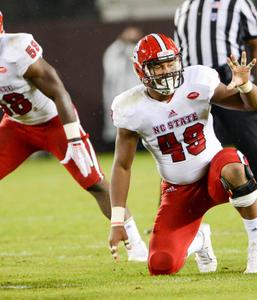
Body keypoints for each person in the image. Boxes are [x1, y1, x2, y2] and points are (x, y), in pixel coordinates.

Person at [108, 33, 257, 275]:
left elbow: (254, 104)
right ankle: (200, 239)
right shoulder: (130, 108)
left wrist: (246, 85)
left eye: (170, 63)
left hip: (216, 173)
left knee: (235, 168)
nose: (166, 70)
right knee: (161, 265)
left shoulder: (198, 80)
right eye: (158, 66)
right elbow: (122, 166)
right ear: (142, 71)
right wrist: (117, 220)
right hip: (178, 190)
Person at [0, 11, 147, 262]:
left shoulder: (17, 51)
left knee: (95, 182)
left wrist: (74, 139)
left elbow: (59, 93)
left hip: (54, 123)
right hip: (16, 126)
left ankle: (134, 240)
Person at [174, 0, 257, 229]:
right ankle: (172, 217)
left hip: (229, 77)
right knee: (182, 151)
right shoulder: (184, 7)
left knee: (256, 145)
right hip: (192, 82)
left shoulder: (238, 3)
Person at [102, 26, 143, 150]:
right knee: (117, 125)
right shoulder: (114, 50)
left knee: (139, 122)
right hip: (118, 93)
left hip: (138, 94)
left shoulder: (141, 51)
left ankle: (140, 147)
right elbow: (111, 71)